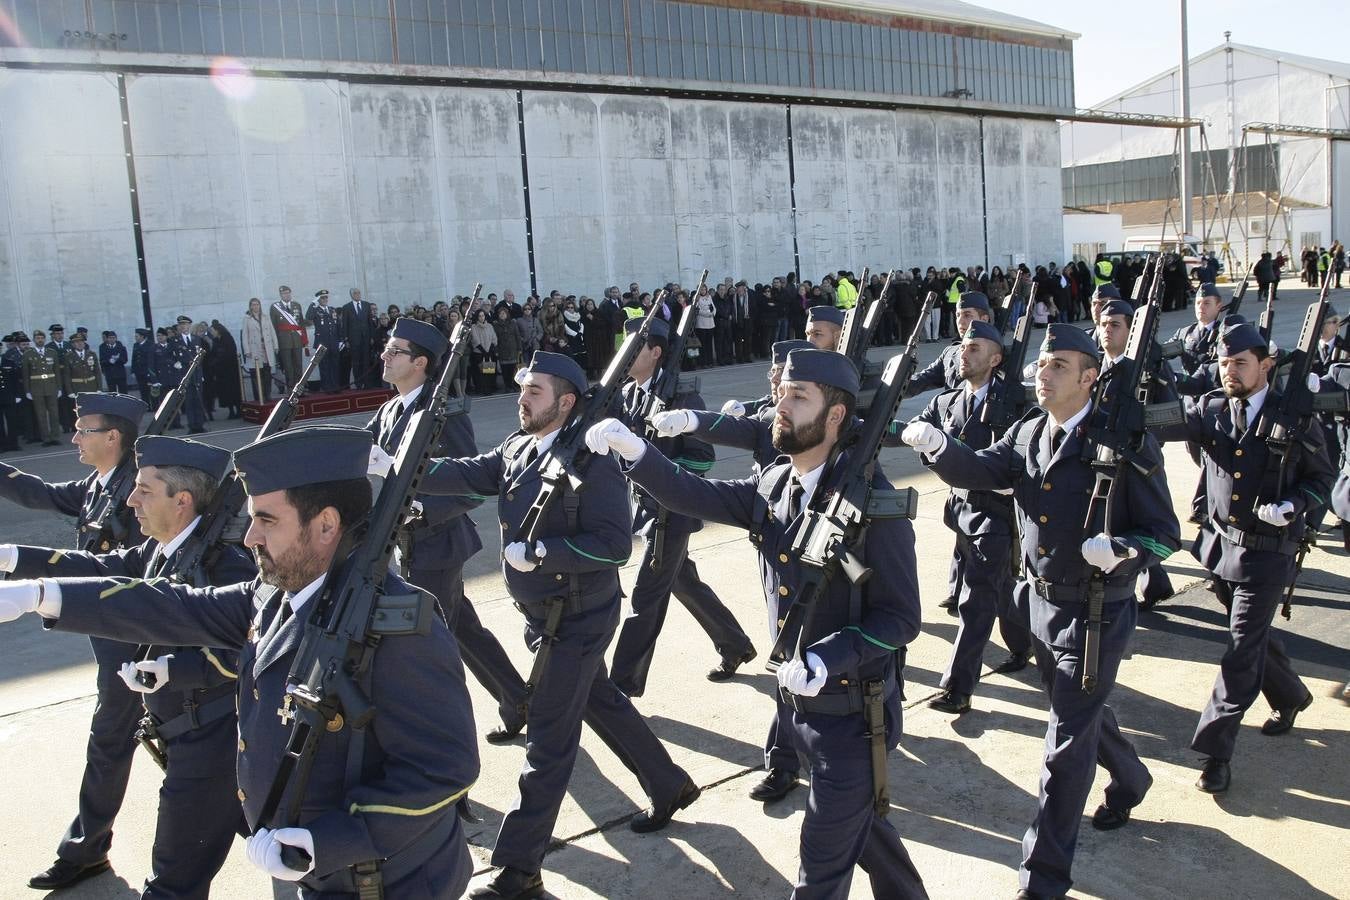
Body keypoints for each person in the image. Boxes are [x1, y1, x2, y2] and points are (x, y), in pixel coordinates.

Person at [0, 424, 480, 897]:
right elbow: (171, 605)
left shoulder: (398, 625)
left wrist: (327, 842)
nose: (249, 537)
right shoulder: (272, 595)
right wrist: (40, 594)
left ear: (327, 525)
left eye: (267, 520)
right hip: (311, 866)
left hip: (389, 880)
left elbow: (442, 768)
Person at [592, 348, 927, 899]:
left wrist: (828, 656)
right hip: (798, 710)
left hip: (852, 715)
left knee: (820, 866)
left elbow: (899, 617)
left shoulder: (876, 504)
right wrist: (637, 454)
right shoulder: (777, 485)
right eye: (782, 393)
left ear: (835, 416)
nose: (781, 404)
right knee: (865, 834)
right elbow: (694, 493)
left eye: (799, 398)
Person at [901, 324, 1179, 900]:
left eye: (1058, 365)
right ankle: (1131, 776)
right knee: (1081, 716)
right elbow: (983, 471)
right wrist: (938, 448)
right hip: (1040, 605)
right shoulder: (1030, 432)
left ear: (1088, 376)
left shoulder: (1123, 442)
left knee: (1064, 749)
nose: (1042, 374)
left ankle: (1043, 878)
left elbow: (1163, 535)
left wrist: (1125, 551)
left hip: (1096, 614)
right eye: (1041, 363)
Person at [413, 351, 698, 900]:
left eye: (535, 392)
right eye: (523, 389)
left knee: (548, 737)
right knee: (599, 700)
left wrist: (544, 552)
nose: (522, 399)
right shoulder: (519, 448)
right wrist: (400, 466)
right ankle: (669, 785)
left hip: (581, 617)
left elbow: (615, 545)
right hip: (543, 616)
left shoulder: (594, 463)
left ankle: (519, 871)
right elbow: (469, 474)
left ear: (566, 402)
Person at [2, 435, 255, 897]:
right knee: (265, 833)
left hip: (212, 743)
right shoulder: (162, 550)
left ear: (182, 501)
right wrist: (18, 562)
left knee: (172, 882)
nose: (131, 500)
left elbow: (251, 652)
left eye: (144, 489)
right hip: (181, 733)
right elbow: (103, 570)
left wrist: (177, 672)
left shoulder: (228, 565)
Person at [1149, 319, 1331, 795]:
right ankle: (1292, 694)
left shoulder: (1294, 416)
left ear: (1265, 366)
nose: (1228, 370)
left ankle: (1216, 751)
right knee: (1252, 638)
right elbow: (1163, 423)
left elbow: (1321, 479)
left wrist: (1295, 505)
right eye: (1224, 362)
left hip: (1270, 554)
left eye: (1239, 363)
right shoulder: (1211, 407)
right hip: (1220, 548)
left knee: (1240, 650)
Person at [0, 392, 150, 891]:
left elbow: (133, 571)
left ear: (114, 437)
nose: (74, 437)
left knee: (117, 742)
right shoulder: (98, 483)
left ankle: (86, 849)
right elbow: (36, 493)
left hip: (142, 641)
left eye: (84, 429)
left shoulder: (139, 490)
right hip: (111, 639)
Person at [368, 317, 527, 741]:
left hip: (438, 545)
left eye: (394, 350)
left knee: (428, 647)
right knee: (462, 630)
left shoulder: (441, 415)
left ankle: (442, 737)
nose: (384, 355)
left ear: (420, 362)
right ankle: (518, 698)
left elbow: (470, 487)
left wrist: (418, 507)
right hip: (409, 547)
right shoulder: (390, 411)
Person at [606, 317, 756, 697]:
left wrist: (669, 486)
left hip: (671, 513)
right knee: (682, 582)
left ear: (656, 353)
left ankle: (621, 686)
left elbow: (703, 458)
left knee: (646, 597)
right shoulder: (629, 393)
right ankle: (735, 645)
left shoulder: (682, 397)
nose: (625, 353)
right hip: (646, 508)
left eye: (634, 347)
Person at [911, 321, 1033, 715]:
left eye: (975, 347)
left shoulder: (1017, 402)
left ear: (996, 359)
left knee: (975, 599)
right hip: (960, 511)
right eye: (964, 346)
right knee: (999, 587)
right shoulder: (947, 402)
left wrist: (1015, 483)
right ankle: (1023, 645)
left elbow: (1031, 450)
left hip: (997, 515)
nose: (964, 353)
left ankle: (958, 688)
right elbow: (920, 437)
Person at [23, 328, 64, 445]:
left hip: (51, 386)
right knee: (41, 414)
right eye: (37, 338)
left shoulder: (52, 352)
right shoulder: (28, 354)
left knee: (54, 413)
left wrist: (59, 388)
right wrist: (27, 391)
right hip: (36, 388)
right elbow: (26, 374)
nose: (40, 340)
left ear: (45, 339)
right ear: (34, 340)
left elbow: (57, 372)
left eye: (42, 338)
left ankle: (55, 437)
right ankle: (45, 438)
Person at [270, 285, 309, 390]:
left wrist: (304, 339)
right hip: (284, 341)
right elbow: (273, 327)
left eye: (288, 293)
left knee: (298, 366)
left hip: (297, 340)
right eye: (284, 293)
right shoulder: (275, 307)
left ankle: (300, 389)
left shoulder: (297, 305)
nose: (286, 295)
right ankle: (291, 390)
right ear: (280, 295)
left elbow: (301, 323)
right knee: (288, 367)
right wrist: (275, 343)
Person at [340, 288, 379, 389]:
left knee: (366, 361)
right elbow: (345, 324)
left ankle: (367, 383)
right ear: (351, 295)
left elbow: (370, 322)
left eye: (358, 293)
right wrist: (346, 340)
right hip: (354, 340)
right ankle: (358, 383)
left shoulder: (366, 305)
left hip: (366, 338)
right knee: (356, 362)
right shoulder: (346, 307)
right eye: (355, 293)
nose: (357, 295)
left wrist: (372, 337)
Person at [305, 289, 342, 393]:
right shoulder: (316, 310)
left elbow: (338, 325)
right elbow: (308, 317)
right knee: (324, 366)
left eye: (326, 297)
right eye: (322, 298)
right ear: (318, 299)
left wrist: (341, 340)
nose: (325, 299)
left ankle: (335, 386)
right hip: (322, 343)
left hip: (334, 342)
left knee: (335, 365)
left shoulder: (332, 310)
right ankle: (327, 387)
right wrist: (313, 303)